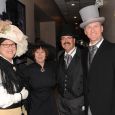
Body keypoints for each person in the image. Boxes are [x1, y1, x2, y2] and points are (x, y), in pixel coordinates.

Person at [79, 5, 115, 115]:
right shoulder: (84, 52)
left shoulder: (113, 50)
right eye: (89, 27)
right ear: (85, 32)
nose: (92, 30)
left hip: (108, 108)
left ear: (102, 28)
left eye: (96, 26)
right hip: (89, 107)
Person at [0, 20, 28, 115]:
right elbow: (1, 101)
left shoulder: (13, 65)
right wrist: (20, 96)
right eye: (5, 44)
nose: (10, 48)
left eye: (12, 44)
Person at [57, 24, 85, 115]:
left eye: (69, 38)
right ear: (60, 41)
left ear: (74, 40)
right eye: (63, 38)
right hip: (61, 101)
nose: (66, 41)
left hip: (78, 102)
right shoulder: (59, 55)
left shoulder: (84, 55)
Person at [23, 43, 58, 115]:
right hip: (35, 104)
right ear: (34, 54)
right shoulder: (28, 69)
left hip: (51, 104)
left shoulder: (53, 67)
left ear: (46, 54)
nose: (40, 55)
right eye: (37, 52)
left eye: (42, 52)